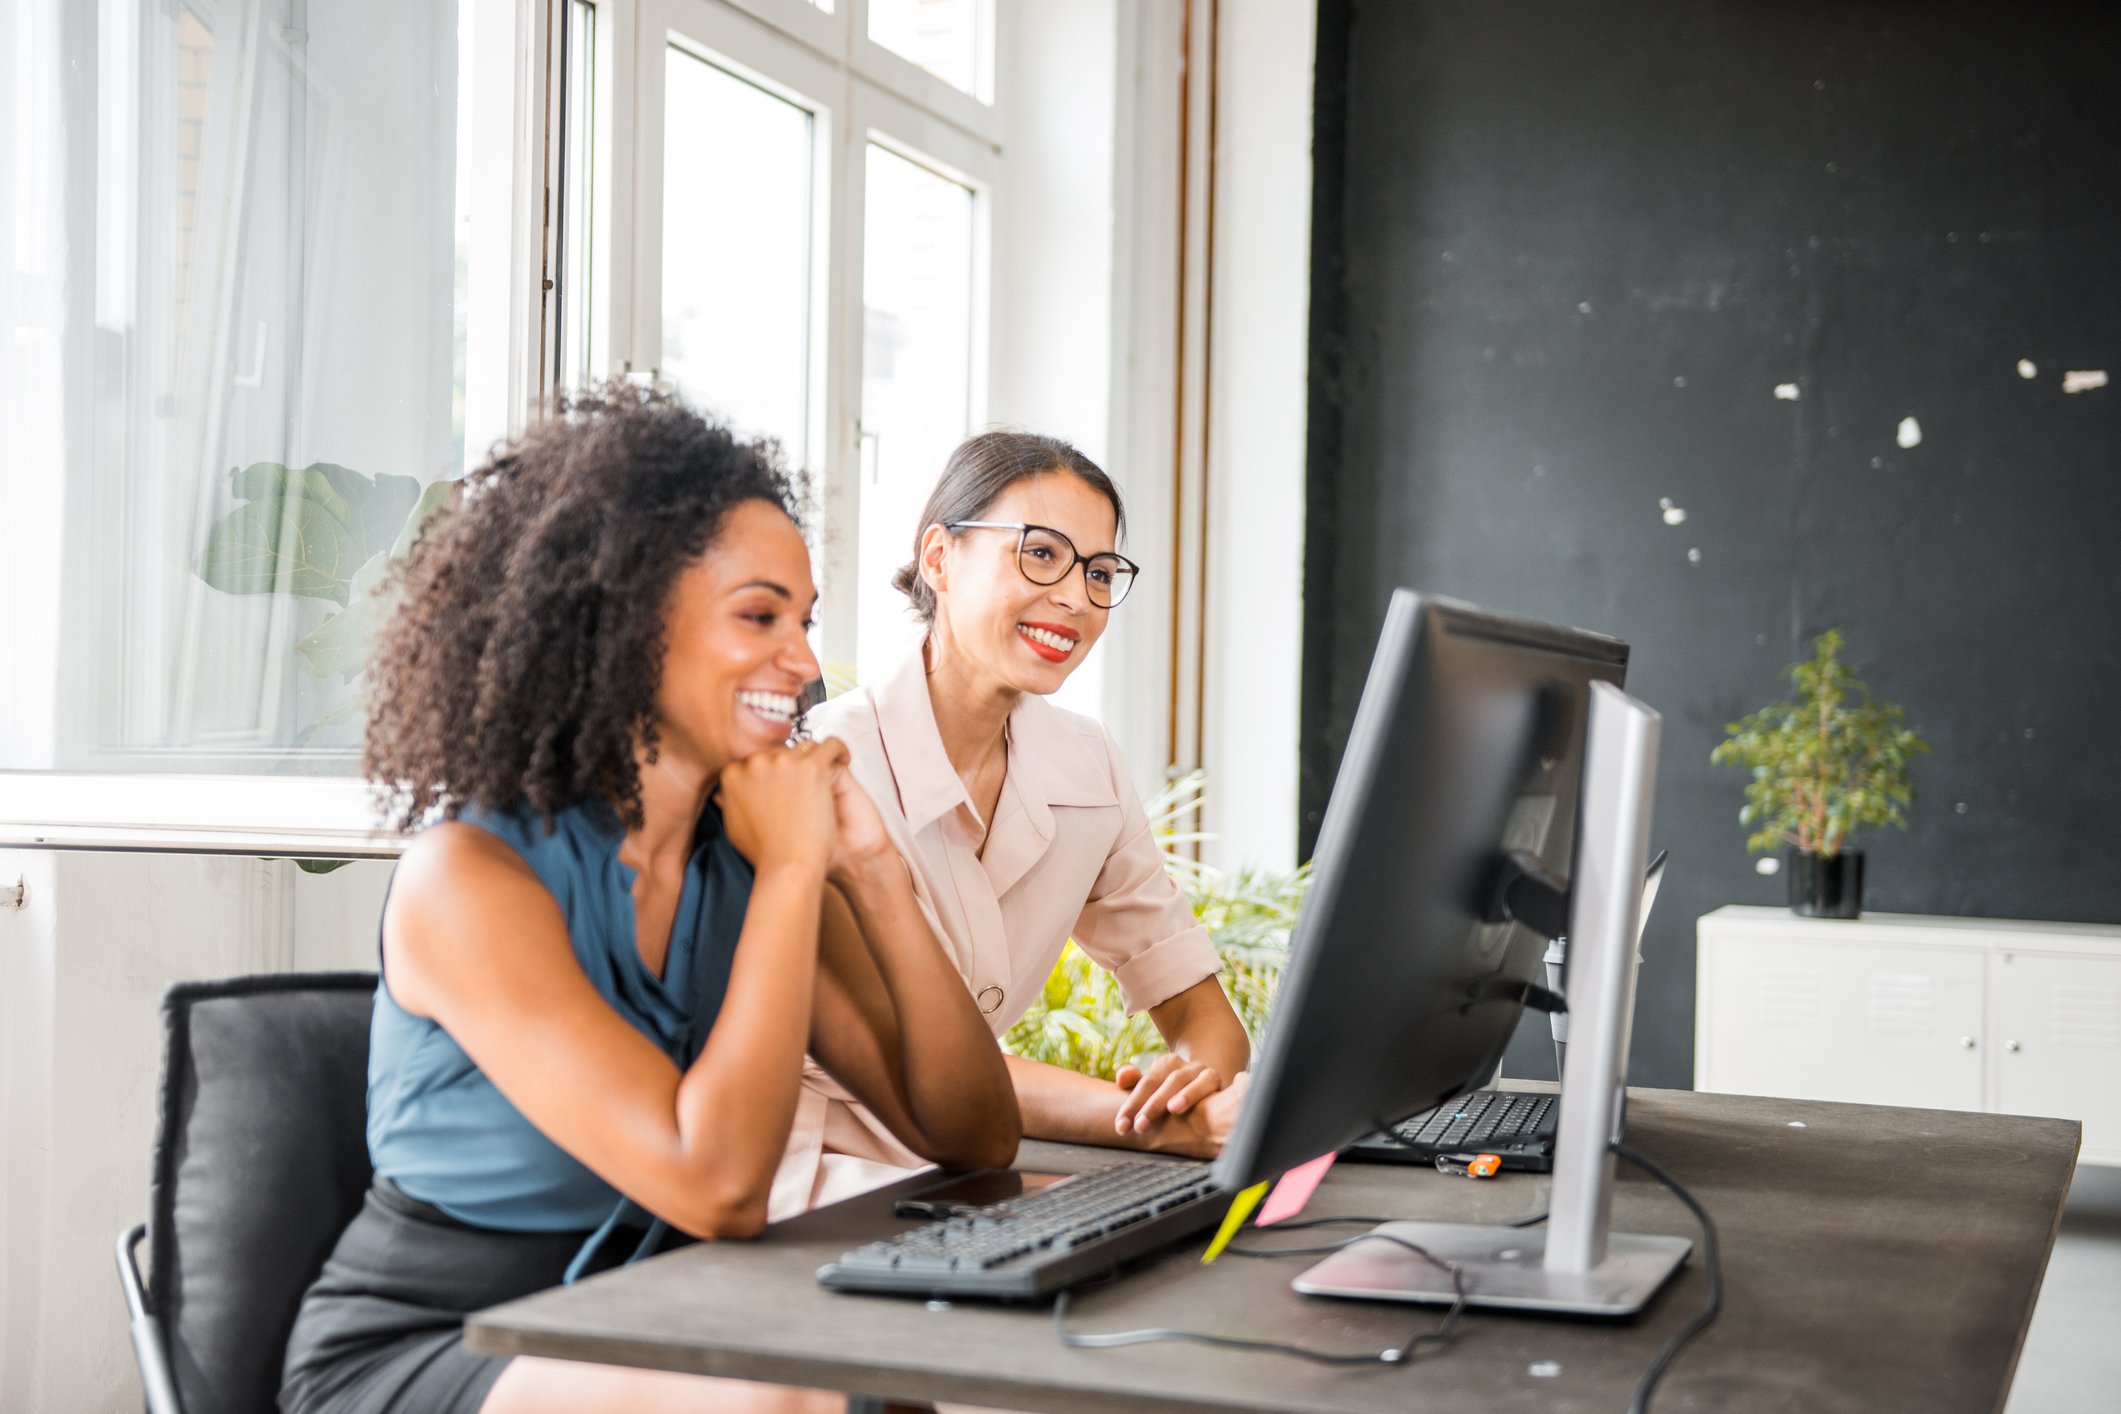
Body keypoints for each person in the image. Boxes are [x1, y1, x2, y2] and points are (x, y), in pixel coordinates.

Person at [280, 385, 1017, 1414]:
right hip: (438, 1343)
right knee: (790, 1398)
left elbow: (972, 1135)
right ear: (620, 622)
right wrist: (800, 871)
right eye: (760, 615)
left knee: (889, 1381)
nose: (804, 663)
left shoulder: (747, 863)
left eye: (804, 621)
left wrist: (875, 869)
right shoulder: (467, 878)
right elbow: (716, 1187)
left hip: (648, 1316)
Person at [775, 432, 1250, 1218]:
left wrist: (1196, 1081)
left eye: (1098, 572)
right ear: (939, 558)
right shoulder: (825, 768)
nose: (1073, 596)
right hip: (812, 1182)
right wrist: (1162, 1124)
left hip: (966, 1172)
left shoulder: (1086, 762)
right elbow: (928, 1065)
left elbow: (1193, 1003)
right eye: (1040, 555)